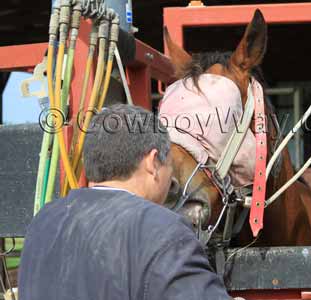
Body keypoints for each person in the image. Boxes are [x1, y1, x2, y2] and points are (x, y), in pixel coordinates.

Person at [18, 104, 235, 300]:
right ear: (152, 162)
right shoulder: (163, 229)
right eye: (169, 165)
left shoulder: (44, 222)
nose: (172, 180)